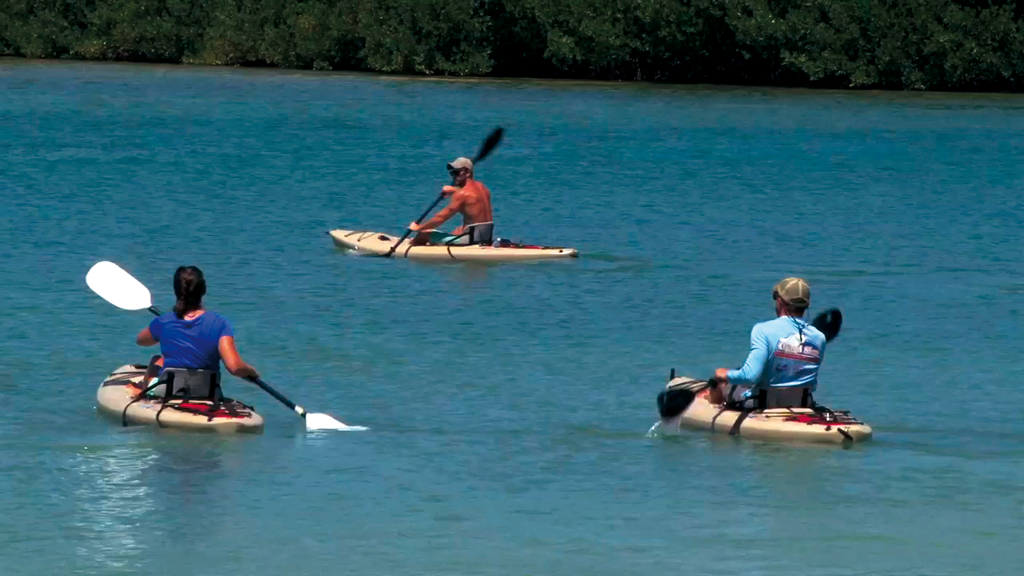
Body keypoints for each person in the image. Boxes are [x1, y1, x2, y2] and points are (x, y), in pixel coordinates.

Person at [134, 266, 259, 398]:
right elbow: (235, 367)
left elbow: (141, 341)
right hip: (208, 392)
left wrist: (162, 330)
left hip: (168, 391)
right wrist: (252, 371)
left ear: (176, 291)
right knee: (161, 360)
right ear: (203, 290)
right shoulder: (220, 323)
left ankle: (141, 392)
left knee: (156, 360)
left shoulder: (163, 321)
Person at [709, 277, 825, 409]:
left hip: (763, 403)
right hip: (803, 403)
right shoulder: (819, 337)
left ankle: (710, 403)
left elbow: (749, 376)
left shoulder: (763, 330)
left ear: (780, 301)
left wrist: (724, 375)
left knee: (725, 380)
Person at [408, 157, 494, 246]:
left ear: (468, 173)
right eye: (452, 173)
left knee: (423, 234)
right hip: (485, 237)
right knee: (458, 230)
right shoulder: (483, 188)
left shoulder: (461, 194)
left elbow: (441, 218)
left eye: (456, 173)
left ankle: (412, 245)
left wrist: (419, 227)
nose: (454, 176)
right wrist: (454, 190)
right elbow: (470, 196)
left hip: (470, 241)